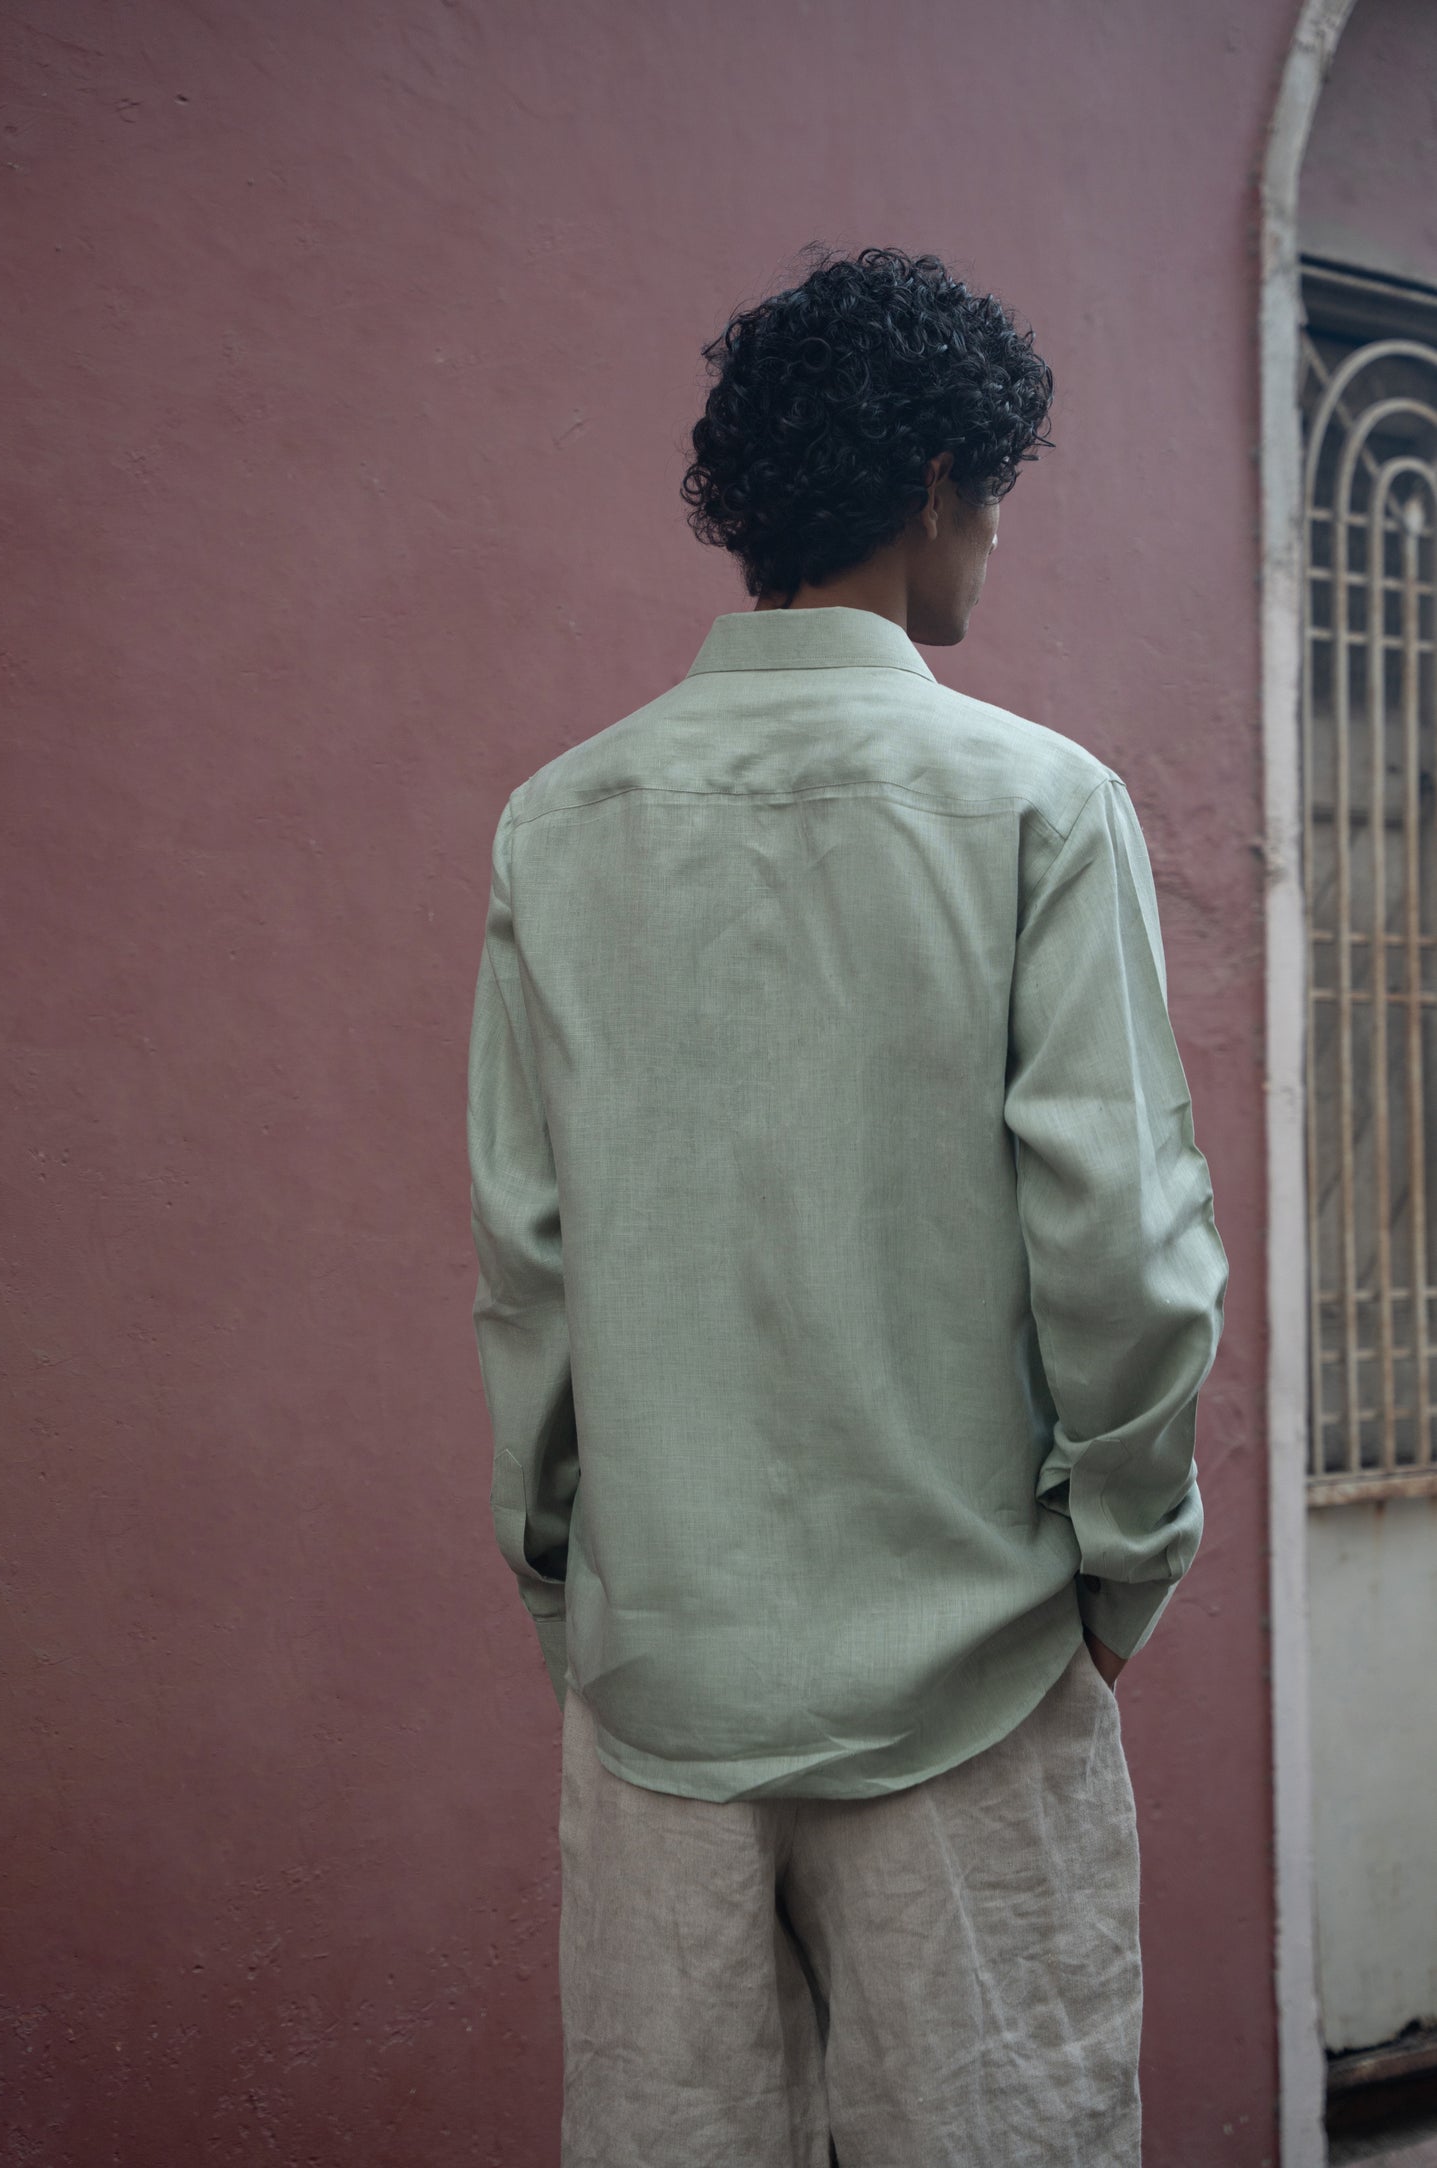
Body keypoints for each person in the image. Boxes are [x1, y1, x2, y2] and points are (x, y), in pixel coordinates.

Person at [466, 243, 1229, 2168]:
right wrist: (1124, 1556)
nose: (992, 541)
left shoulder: (561, 820)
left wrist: (574, 1596)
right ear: (929, 491)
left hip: (663, 1688)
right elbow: (1122, 1251)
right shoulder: (1042, 806)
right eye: (994, 496)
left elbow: (527, 1263)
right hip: (971, 1684)